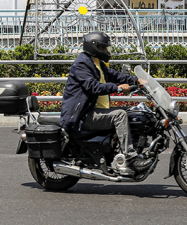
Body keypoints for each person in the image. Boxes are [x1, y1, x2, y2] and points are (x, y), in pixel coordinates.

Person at [60, 32, 143, 176]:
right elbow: (92, 86)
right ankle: (130, 156)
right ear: (95, 47)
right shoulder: (82, 64)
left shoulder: (96, 62)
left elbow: (114, 75)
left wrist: (136, 80)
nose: (105, 51)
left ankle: (123, 149)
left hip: (95, 110)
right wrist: (117, 88)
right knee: (120, 115)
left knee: (134, 112)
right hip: (82, 115)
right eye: (103, 48)